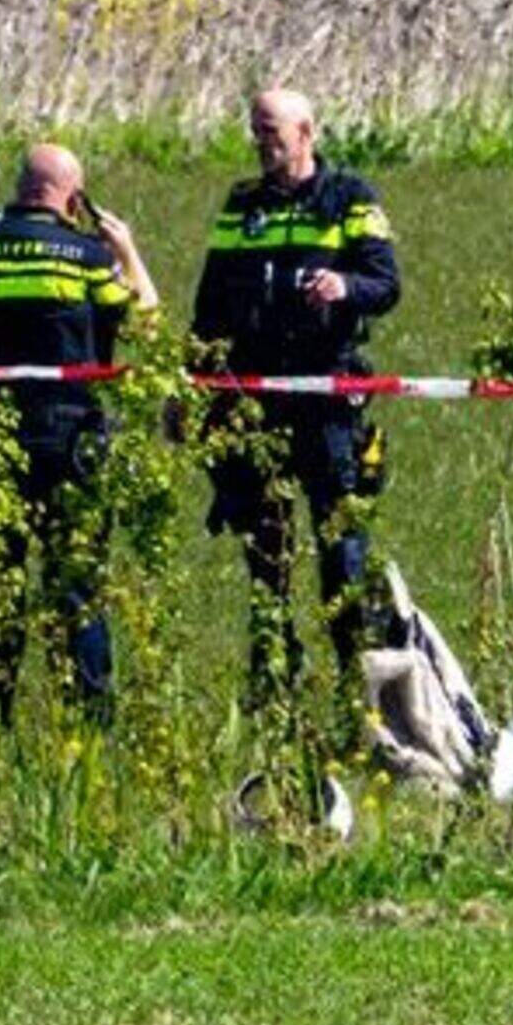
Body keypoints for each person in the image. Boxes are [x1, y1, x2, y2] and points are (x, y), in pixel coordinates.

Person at [0, 143, 159, 723]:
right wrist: (125, 249)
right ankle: (87, 727)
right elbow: (148, 326)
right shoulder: (83, 258)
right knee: (76, 589)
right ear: (73, 200)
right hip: (68, 444)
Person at [191, 86, 402, 694]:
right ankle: (275, 680)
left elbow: (385, 284)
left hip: (328, 396)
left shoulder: (349, 199)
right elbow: (208, 308)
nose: (262, 143)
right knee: (264, 550)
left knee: (341, 547)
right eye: (256, 131)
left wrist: (344, 287)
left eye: (272, 132)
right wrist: (192, 386)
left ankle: (357, 686)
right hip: (254, 403)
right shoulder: (240, 207)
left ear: (306, 133)